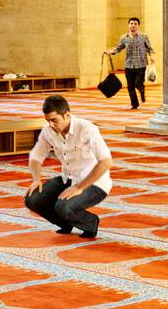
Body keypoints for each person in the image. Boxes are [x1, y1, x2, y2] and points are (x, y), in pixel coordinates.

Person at [24, 94, 112, 239]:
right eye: (48, 121)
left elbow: (106, 162)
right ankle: (66, 223)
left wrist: (79, 187)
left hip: (94, 183)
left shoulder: (87, 129)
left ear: (67, 115)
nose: (51, 125)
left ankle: (90, 222)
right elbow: (35, 157)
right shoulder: (48, 131)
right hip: (68, 179)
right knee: (32, 199)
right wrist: (36, 178)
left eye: (54, 120)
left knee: (63, 207)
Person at [106, 16, 155, 110]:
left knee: (137, 83)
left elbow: (149, 48)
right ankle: (135, 104)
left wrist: (151, 57)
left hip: (141, 65)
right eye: (131, 23)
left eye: (135, 24)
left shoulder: (144, 37)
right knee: (130, 87)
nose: (133, 25)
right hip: (128, 65)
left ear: (138, 26)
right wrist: (111, 52)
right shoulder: (124, 38)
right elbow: (119, 48)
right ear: (128, 25)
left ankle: (142, 90)